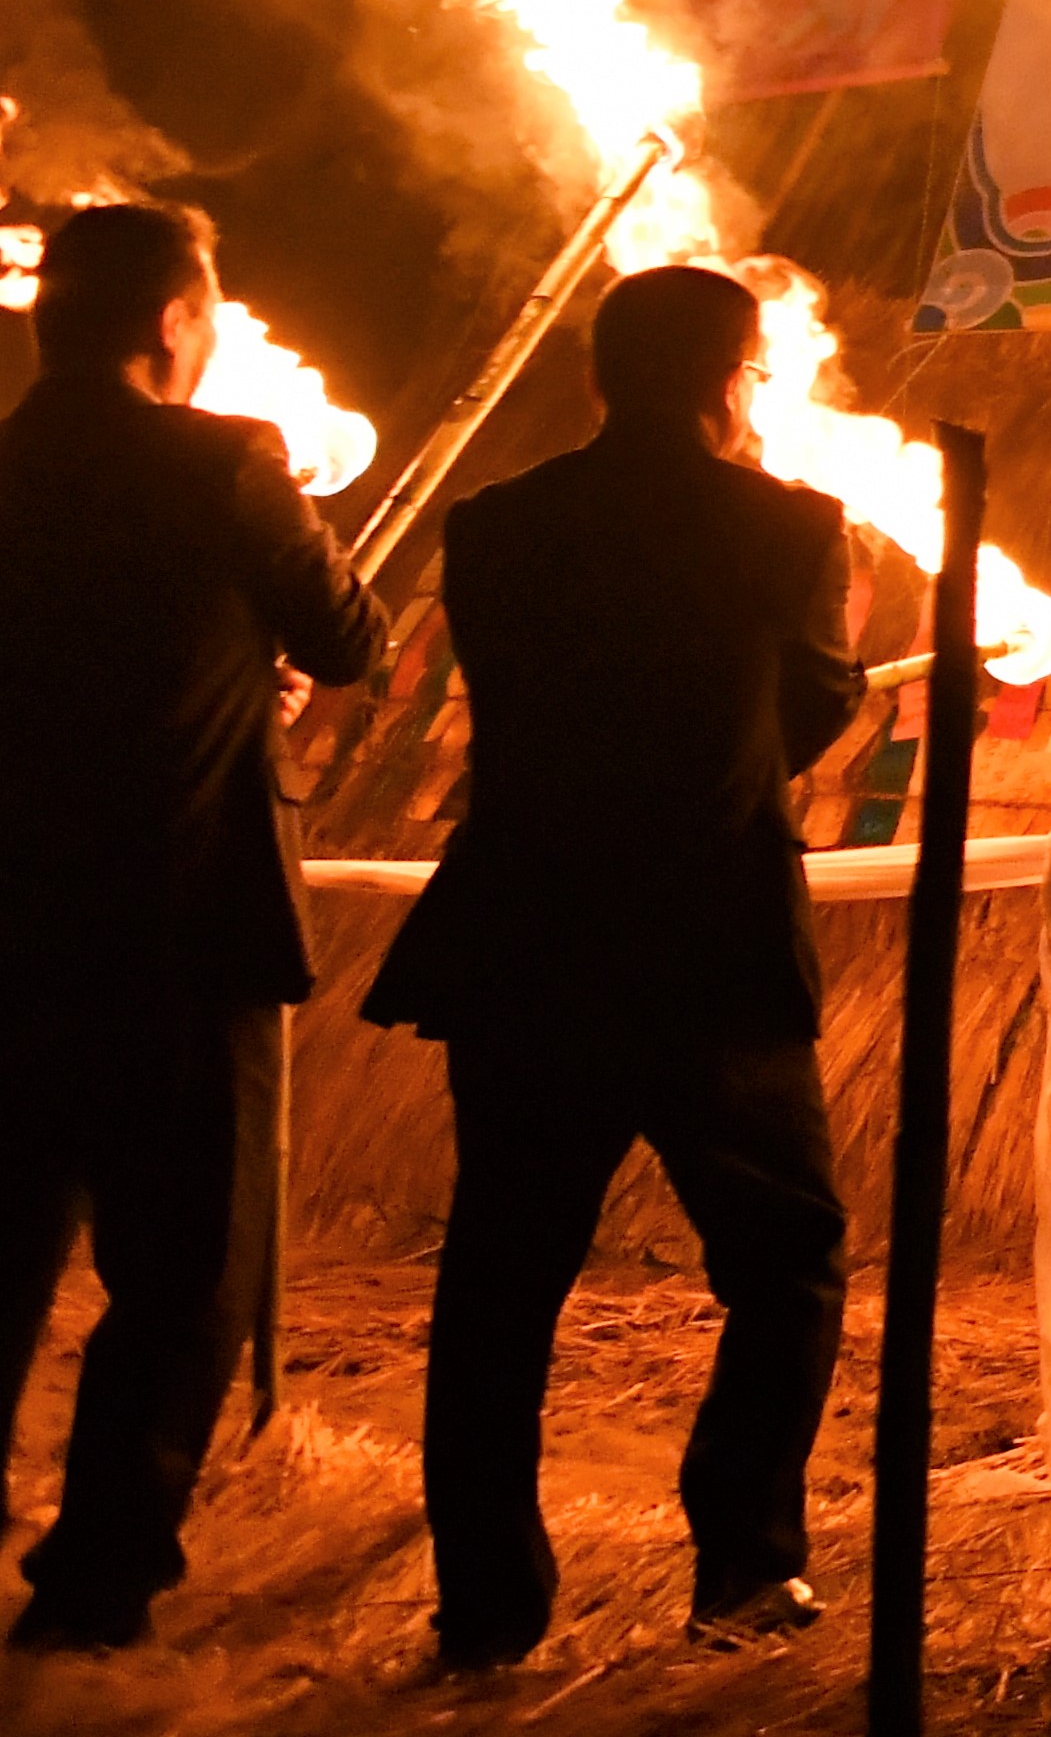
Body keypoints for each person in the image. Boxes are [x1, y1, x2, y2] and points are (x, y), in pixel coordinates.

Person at [364, 265, 866, 1667]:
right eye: (759, 372)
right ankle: (746, 1564)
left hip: (529, 938)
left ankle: (488, 1604)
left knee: (502, 1277)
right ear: (728, 379)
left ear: (601, 378)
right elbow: (817, 701)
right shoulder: (791, 528)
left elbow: (516, 697)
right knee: (788, 1258)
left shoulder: (498, 526)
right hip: (709, 946)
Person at [0, 201, 384, 1654]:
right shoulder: (228, 461)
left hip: (9, 933)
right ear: (176, 322)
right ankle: (99, 1576)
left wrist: (232, 663)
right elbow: (352, 637)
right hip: (174, 938)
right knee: (182, 1276)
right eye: (210, 306)